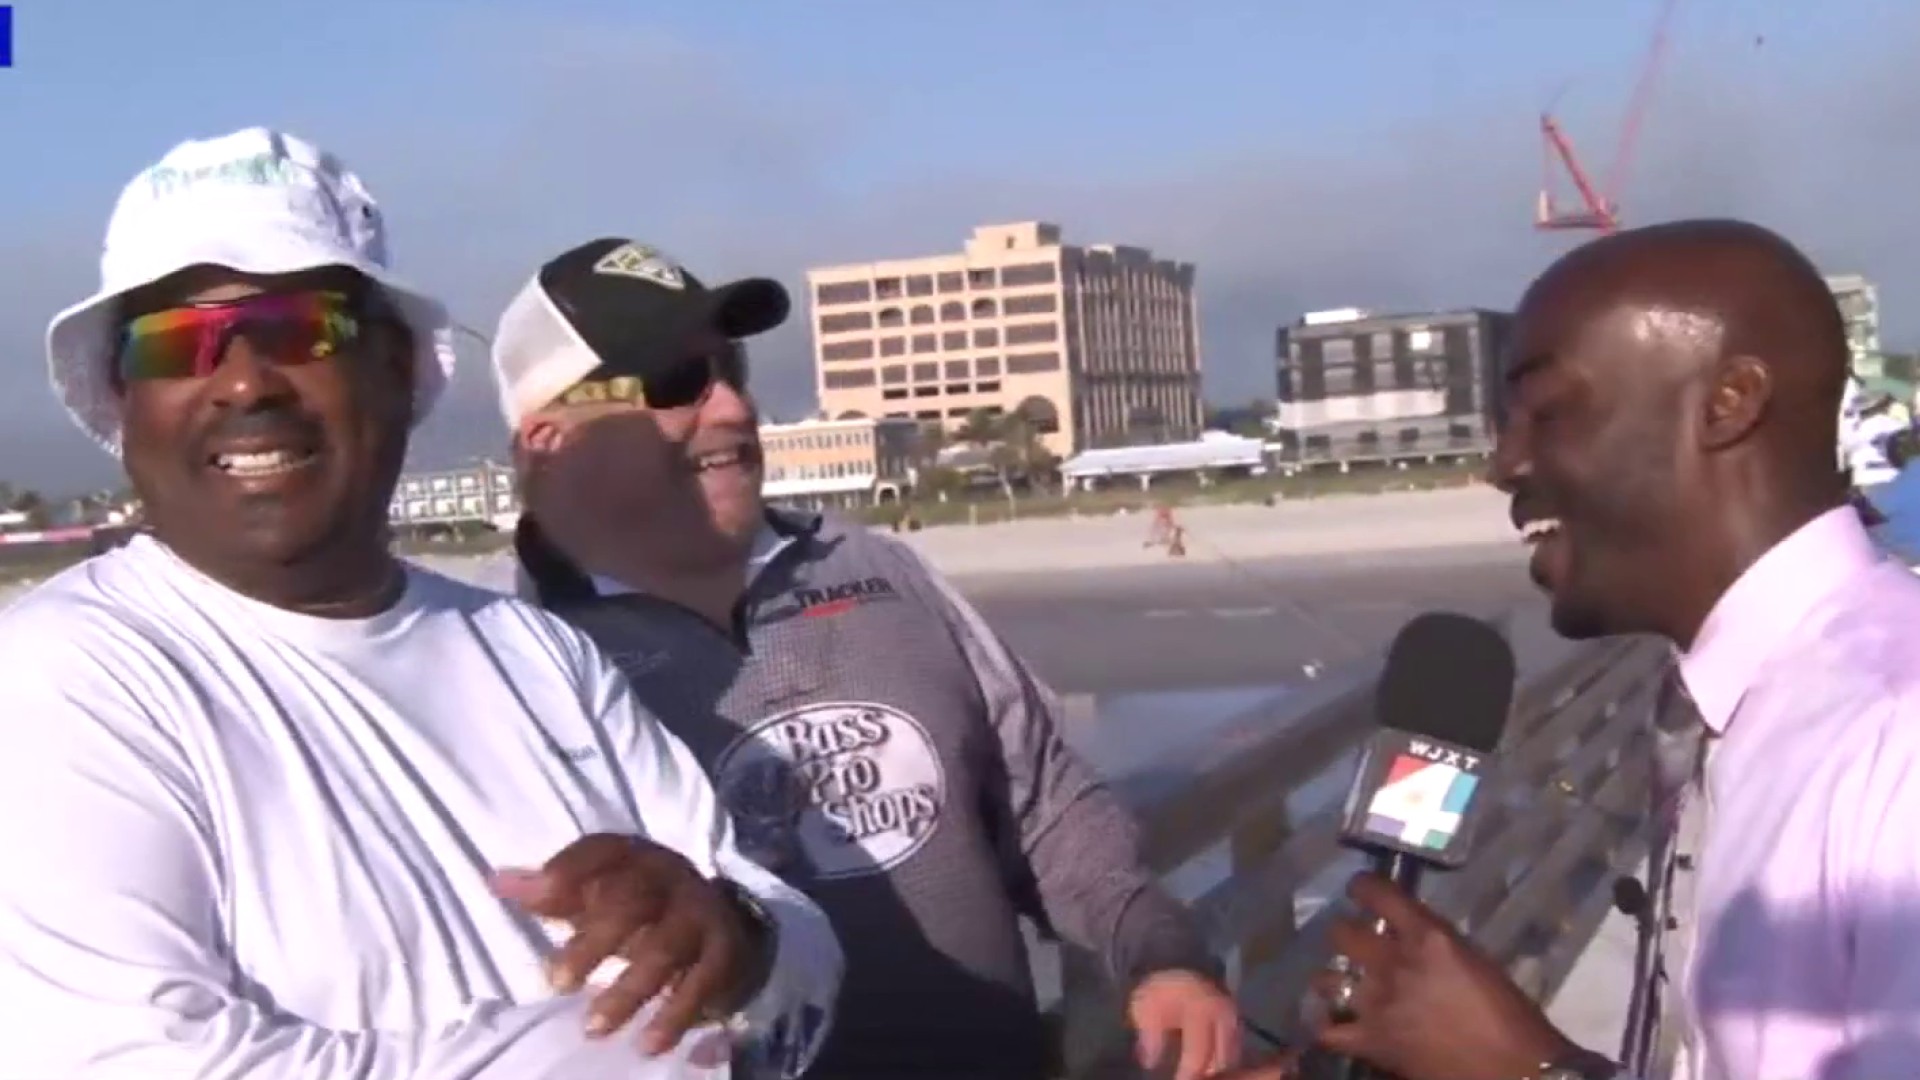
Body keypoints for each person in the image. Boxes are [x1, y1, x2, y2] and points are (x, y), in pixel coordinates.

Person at [0, 129, 841, 1078]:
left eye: (297, 327)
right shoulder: (59, 681)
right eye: (175, 342)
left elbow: (799, 948)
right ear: (124, 395)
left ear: (396, 367)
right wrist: (649, 1046)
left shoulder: (537, 653)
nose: (241, 381)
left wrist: (734, 935)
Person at [486, 237, 1243, 1079]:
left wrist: (1159, 952)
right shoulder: (506, 663)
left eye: (731, 369)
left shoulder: (875, 568)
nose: (733, 410)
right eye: (675, 385)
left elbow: (1044, 807)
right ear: (549, 439)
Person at [1223, 218, 1920, 1080]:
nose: (1504, 463)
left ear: (1728, 404)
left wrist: (1527, 1068)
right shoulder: (1740, 702)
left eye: (1548, 411)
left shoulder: (1895, 733)